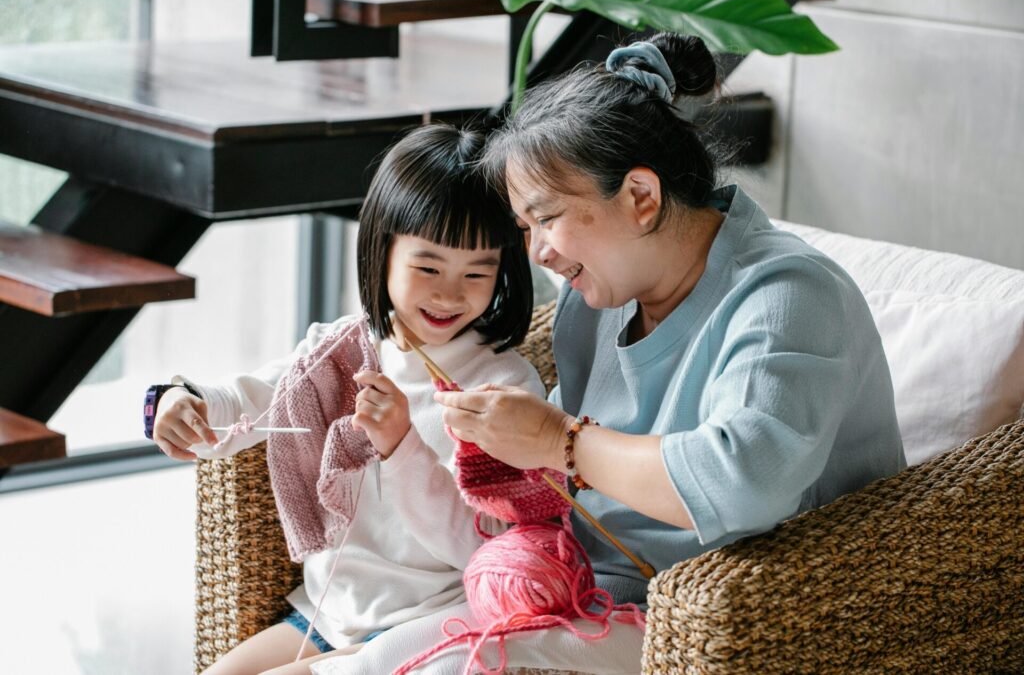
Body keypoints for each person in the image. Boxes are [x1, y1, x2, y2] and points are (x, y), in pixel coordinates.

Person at [311, 33, 905, 674]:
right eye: (525, 229)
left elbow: (746, 481)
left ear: (641, 198)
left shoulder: (790, 295)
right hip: (576, 588)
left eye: (546, 218)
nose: (537, 252)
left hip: (721, 619)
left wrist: (557, 440)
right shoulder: (600, 298)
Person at [146, 124, 544, 675]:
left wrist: (402, 446)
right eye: (428, 267)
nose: (451, 294)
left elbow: (484, 545)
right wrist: (174, 403)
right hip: (324, 616)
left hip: (431, 624)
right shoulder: (336, 354)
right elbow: (246, 403)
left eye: (478, 273)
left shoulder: (502, 389)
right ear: (382, 251)